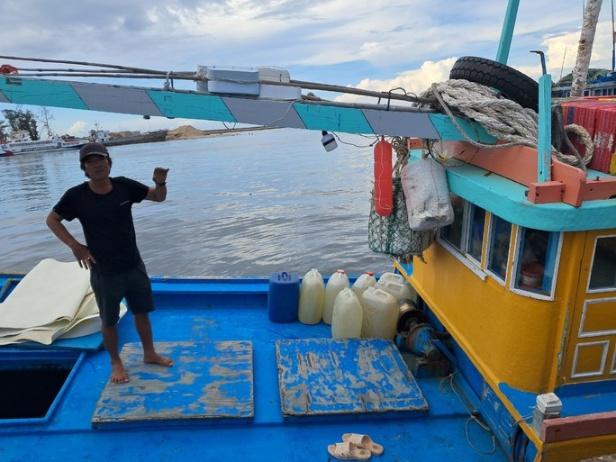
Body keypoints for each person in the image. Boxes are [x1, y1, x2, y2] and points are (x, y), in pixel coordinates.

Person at [46, 142, 173, 383]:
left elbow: (158, 197)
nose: (97, 165)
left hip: (133, 264)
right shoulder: (76, 196)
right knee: (109, 320)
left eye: (100, 159)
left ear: (109, 162)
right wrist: (75, 245)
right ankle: (116, 362)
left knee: (142, 311)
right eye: (90, 161)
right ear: (84, 168)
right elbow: (52, 220)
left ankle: (149, 353)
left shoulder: (124, 185)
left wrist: (160, 181)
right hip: (104, 270)